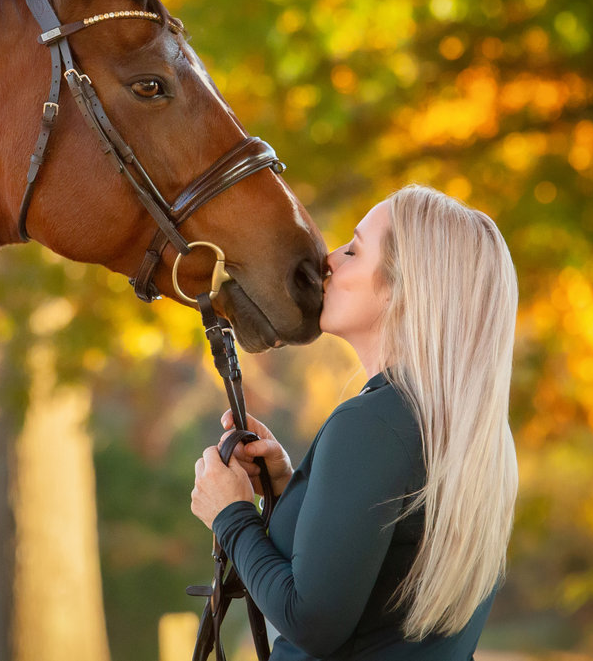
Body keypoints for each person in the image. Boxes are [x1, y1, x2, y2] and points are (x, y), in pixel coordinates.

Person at [191, 184, 518, 659]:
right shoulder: (475, 433)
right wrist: (290, 487)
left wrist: (232, 516)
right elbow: (376, 583)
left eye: (354, 250)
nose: (329, 259)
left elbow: (312, 621)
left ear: (403, 289)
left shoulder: (373, 424)